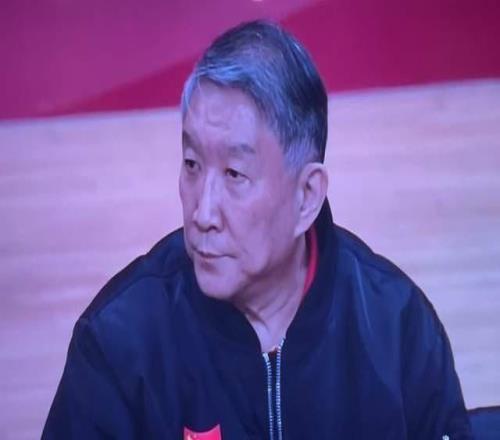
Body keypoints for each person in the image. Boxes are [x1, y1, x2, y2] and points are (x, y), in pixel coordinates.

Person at [42, 20, 472, 439]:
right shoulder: (118, 340)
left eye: (234, 174)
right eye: (192, 164)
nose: (203, 213)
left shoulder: (398, 329)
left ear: (306, 196)